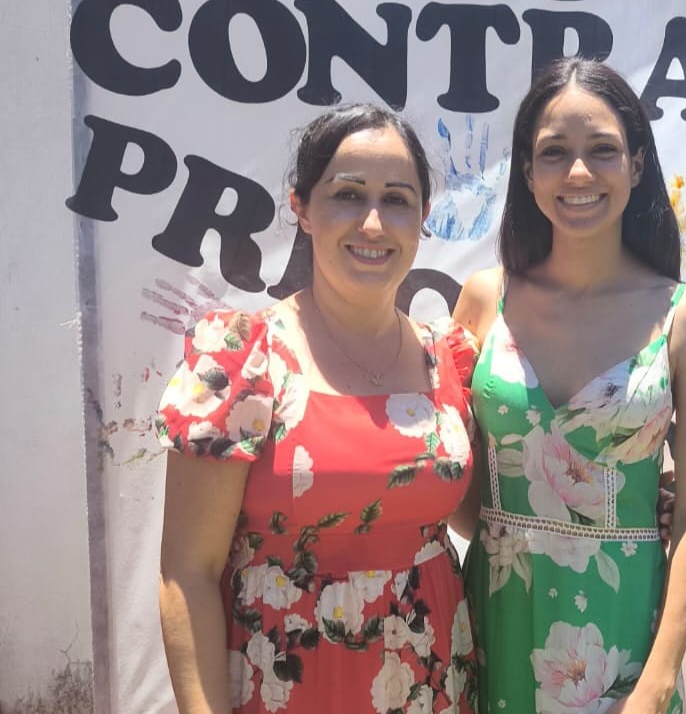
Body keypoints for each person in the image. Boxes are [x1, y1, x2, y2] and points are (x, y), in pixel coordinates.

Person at [156, 105, 479, 714]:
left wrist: (635, 496)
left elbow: (482, 519)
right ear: (301, 207)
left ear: (423, 217)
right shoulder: (243, 357)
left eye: (397, 200)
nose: (373, 222)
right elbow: (187, 572)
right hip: (286, 686)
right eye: (347, 195)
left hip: (432, 682)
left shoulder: (447, 359)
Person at [452, 58, 686, 714]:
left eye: (602, 150)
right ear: (528, 172)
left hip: (622, 633)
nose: (578, 173)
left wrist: (658, 679)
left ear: (637, 164)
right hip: (493, 622)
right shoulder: (484, 301)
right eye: (555, 153)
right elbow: (459, 485)